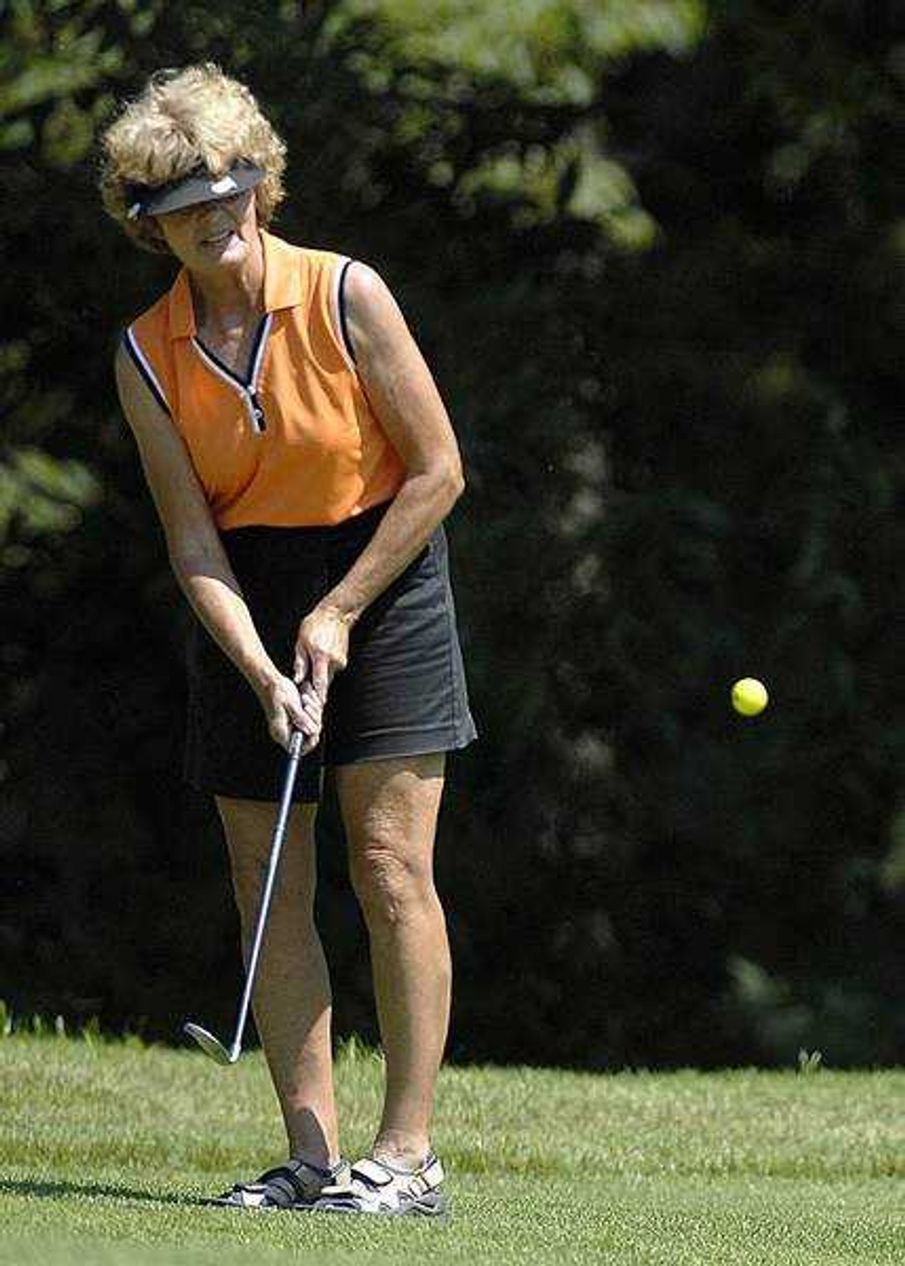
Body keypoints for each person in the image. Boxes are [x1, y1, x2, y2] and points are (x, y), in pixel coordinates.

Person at [99, 63, 476, 1217]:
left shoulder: (345, 293)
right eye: (186, 201)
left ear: (262, 186)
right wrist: (260, 662)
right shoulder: (146, 353)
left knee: (388, 867)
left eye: (232, 188)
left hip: (385, 572)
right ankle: (312, 1158)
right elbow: (192, 546)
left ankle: (404, 1159)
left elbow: (438, 470)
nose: (217, 215)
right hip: (248, 599)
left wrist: (339, 609)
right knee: (267, 875)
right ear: (148, 220)